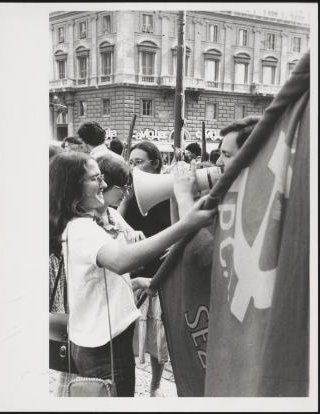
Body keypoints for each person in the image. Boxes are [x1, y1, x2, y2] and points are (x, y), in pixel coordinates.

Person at [49, 151, 217, 397]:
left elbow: (97, 279)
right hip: (105, 351)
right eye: (96, 179)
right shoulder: (82, 229)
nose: (104, 185)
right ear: (74, 187)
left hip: (100, 346)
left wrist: (135, 282)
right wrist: (185, 224)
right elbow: (121, 261)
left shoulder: (81, 226)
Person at [118, 140, 172, 396]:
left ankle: (155, 385)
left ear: (156, 163)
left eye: (139, 162)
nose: (133, 167)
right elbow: (116, 227)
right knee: (130, 332)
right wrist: (126, 201)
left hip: (159, 272)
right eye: (131, 161)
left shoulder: (167, 193)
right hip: (134, 272)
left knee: (158, 334)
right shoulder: (126, 196)